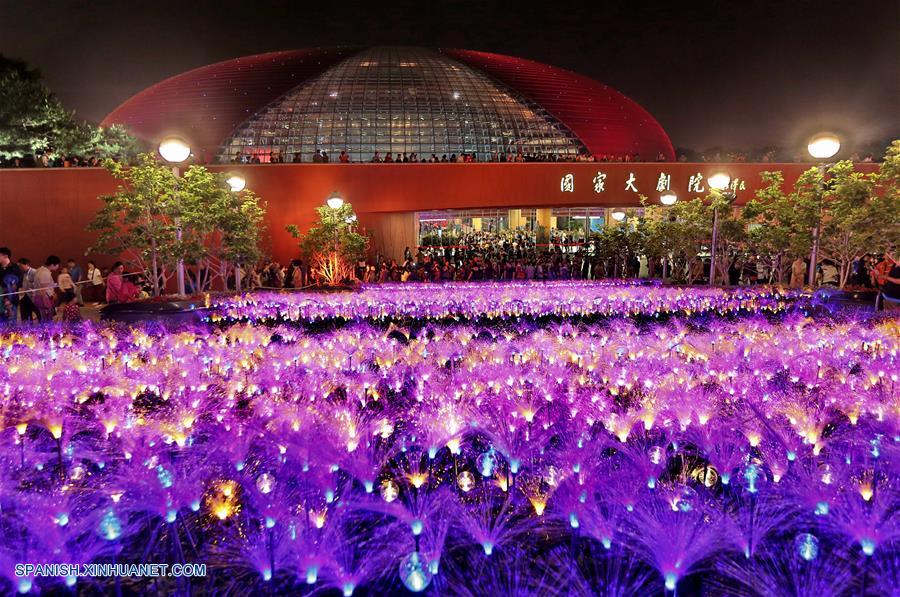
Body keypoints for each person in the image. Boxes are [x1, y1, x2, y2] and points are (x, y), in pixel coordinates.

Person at [33, 255, 61, 321]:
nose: (58, 266)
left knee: (45, 318)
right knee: (46, 318)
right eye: (57, 264)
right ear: (52, 264)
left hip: (42, 297)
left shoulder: (40, 270)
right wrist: (46, 303)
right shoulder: (45, 273)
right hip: (44, 298)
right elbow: (43, 290)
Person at [0, 247, 22, 323]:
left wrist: (8, 298)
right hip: (0, 300)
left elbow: (19, 284)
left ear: (5, 256)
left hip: (11, 301)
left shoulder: (15, 268)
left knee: (11, 323)